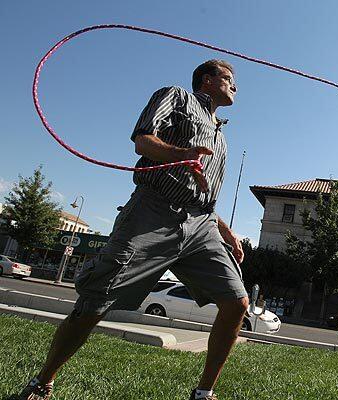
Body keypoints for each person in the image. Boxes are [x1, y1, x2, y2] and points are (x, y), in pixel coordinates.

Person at [19, 59, 248, 400]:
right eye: (229, 79)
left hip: (202, 224)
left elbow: (206, 193)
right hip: (152, 212)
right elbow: (143, 141)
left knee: (237, 303)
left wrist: (225, 231)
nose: (236, 87)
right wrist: (181, 153)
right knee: (96, 301)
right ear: (207, 79)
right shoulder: (177, 96)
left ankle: (204, 394)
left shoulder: (221, 136)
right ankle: (42, 382)